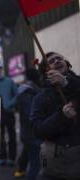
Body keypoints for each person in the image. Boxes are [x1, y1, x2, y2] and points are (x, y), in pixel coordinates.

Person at [30, 52, 80, 180]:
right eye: (51, 61)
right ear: (46, 71)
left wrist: (66, 83)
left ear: (67, 64)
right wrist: (61, 116)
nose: (57, 61)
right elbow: (38, 131)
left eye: (59, 58)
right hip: (56, 168)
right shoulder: (40, 98)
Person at [14, 68, 42, 180]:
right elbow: (32, 114)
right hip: (31, 134)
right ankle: (22, 171)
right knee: (36, 165)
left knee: (28, 154)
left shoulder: (27, 91)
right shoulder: (28, 92)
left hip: (28, 134)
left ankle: (20, 170)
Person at [0, 63, 18, 166]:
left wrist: (9, 105)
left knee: (12, 135)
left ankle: (12, 158)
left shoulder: (10, 81)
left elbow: (17, 94)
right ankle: (2, 157)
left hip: (9, 112)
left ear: (2, 69)